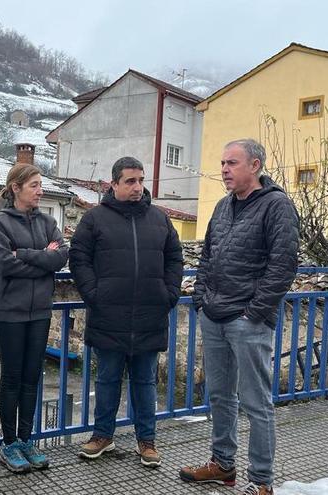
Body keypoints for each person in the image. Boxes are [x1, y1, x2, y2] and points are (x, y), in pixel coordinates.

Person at [179, 139, 299, 495]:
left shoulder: (277, 206)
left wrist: (255, 313)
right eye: (222, 163)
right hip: (214, 315)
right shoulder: (222, 206)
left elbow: (283, 265)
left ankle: (261, 482)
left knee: (256, 402)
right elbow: (207, 256)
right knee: (219, 396)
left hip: (247, 320)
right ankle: (223, 465)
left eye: (232, 163)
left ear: (255, 165)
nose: (224, 169)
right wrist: (201, 299)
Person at [69, 156, 183, 468]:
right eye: (130, 181)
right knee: (107, 380)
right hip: (109, 315)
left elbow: (175, 258)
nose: (137, 187)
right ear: (114, 184)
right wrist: (94, 294)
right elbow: (78, 258)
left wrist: (168, 293)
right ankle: (102, 436)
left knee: (145, 382)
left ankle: (147, 441)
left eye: (141, 180)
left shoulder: (159, 219)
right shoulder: (95, 219)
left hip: (150, 314)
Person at [0, 163, 69, 473]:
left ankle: (26, 439)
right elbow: (3, 263)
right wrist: (42, 259)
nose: (40, 190)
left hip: (40, 312)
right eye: (34, 185)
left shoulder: (48, 220)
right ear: (16, 188)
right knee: (12, 377)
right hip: (10, 312)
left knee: (32, 377)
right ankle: (9, 444)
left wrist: (24, 253)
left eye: (40, 184)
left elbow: (61, 256)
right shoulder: (1, 222)